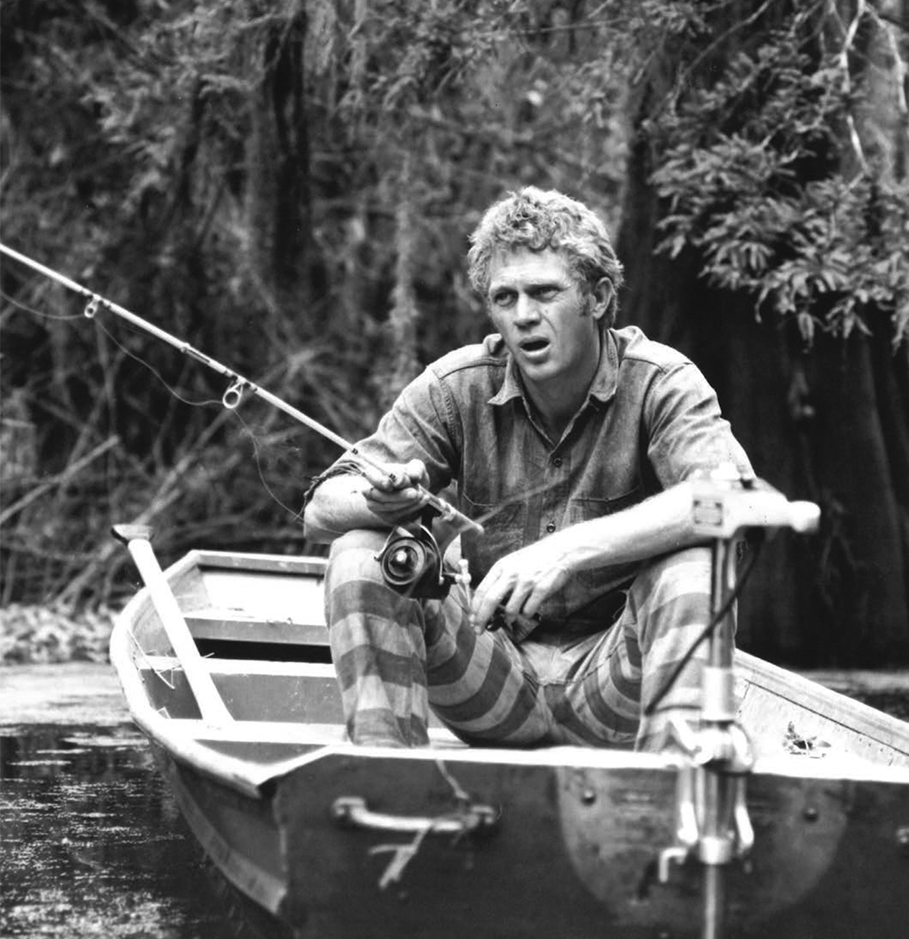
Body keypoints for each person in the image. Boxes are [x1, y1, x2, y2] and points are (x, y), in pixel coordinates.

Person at [303, 186, 753, 751]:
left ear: (597, 297)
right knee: (361, 551)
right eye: (505, 297)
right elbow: (319, 511)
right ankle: (387, 778)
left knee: (698, 568)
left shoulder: (660, 382)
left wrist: (567, 551)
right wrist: (374, 501)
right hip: (494, 682)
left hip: (617, 688)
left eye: (544, 292)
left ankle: (667, 788)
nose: (524, 316)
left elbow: (734, 500)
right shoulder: (457, 386)